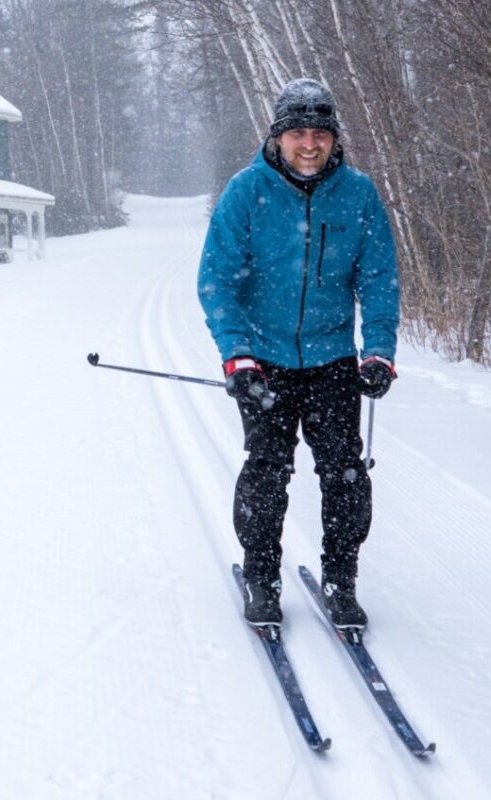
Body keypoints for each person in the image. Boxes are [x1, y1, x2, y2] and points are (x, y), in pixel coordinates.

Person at [196, 78, 401, 629]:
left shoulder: (358, 194)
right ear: (278, 137)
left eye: (319, 133)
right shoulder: (246, 191)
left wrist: (378, 350)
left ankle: (342, 578)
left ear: (334, 139)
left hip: (333, 359)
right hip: (263, 361)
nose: (309, 144)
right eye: (297, 133)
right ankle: (262, 576)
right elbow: (217, 279)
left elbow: (379, 277)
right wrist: (236, 355)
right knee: (267, 470)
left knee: (345, 474)